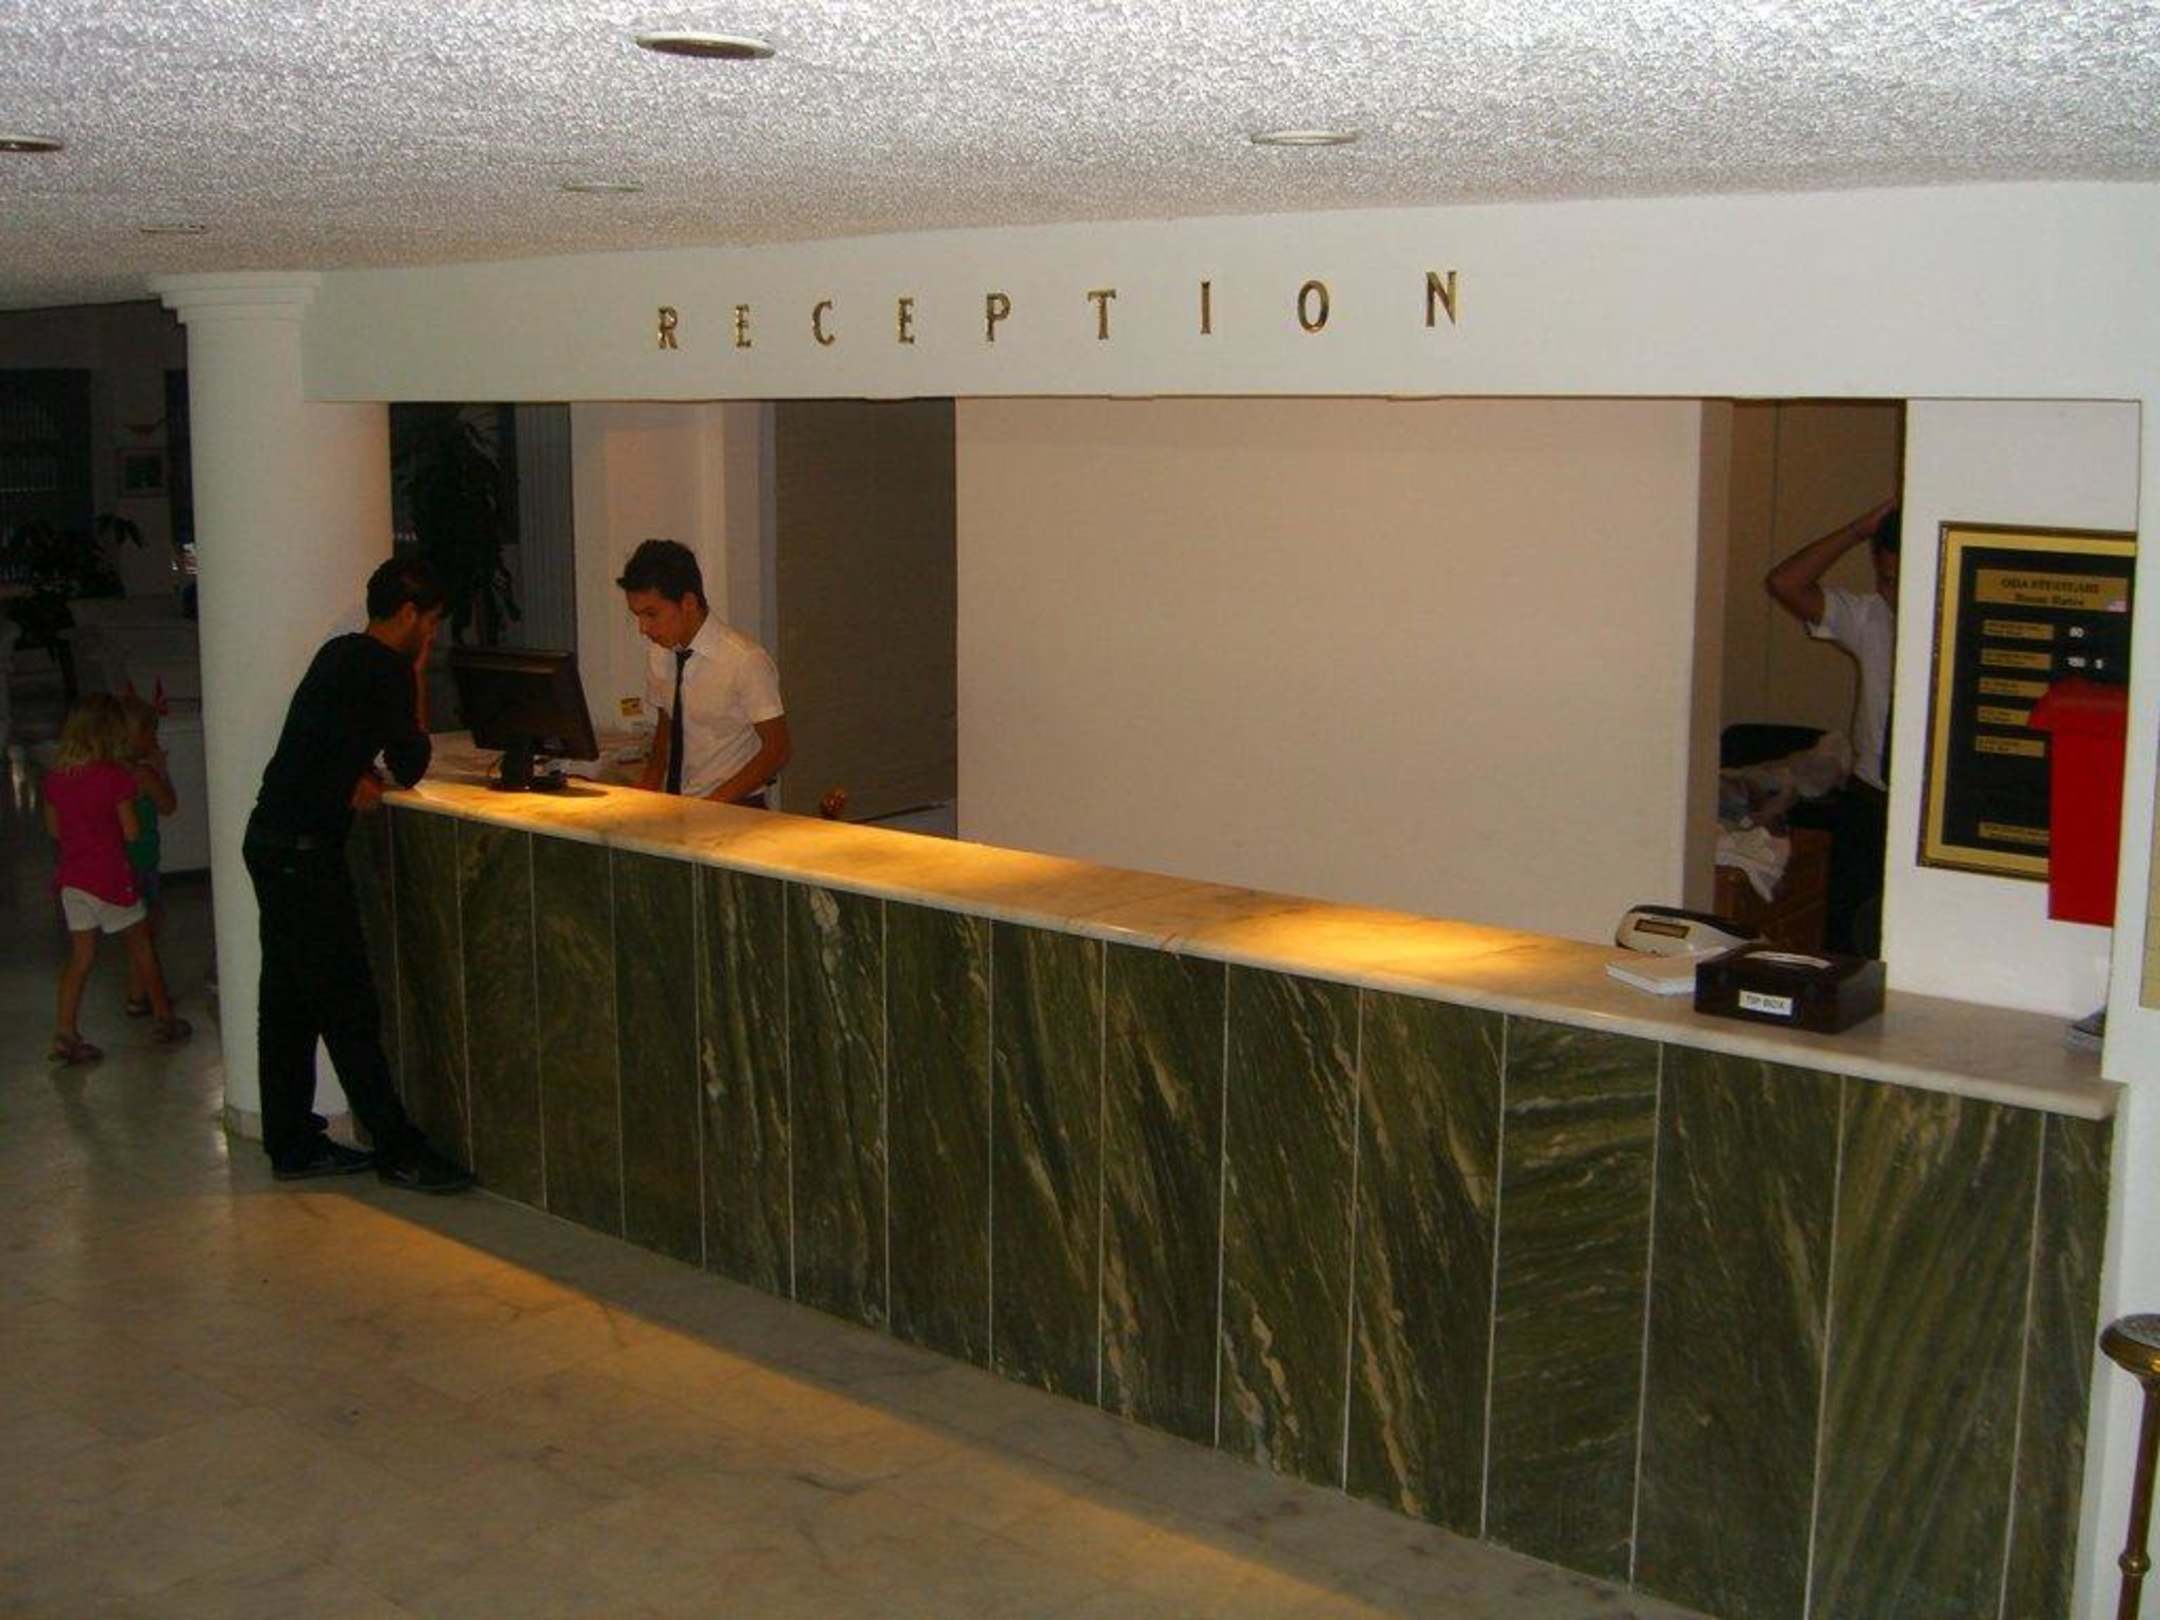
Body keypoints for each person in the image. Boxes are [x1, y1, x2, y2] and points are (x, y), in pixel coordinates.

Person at [243, 556, 474, 1192]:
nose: (431, 635)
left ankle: (291, 1141)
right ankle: (399, 1149)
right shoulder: (387, 668)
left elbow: (326, 740)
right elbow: (412, 759)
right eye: (430, 623)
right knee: (348, 1004)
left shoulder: (338, 654)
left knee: (288, 1002)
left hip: (269, 839)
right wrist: (416, 676)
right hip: (305, 854)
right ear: (409, 614)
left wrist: (357, 772)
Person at [1766, 497, 1900, 956]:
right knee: (1848, 942)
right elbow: (1785, 582)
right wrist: (1858, 530)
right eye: (1886, 580)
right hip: (1872, 801)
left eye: (1906, 581)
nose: (1896, 595)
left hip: (1926, 816)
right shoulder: (1871, 618)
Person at [43, 692, 189, 1063]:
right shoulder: (114, 779)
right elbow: (131, 832)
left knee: (81, 957)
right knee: (141, 945)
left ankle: (65, 1032)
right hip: (110, 878)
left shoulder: (56, 780)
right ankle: (164, 1017)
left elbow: (55, 830)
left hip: (72, 880)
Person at [616, 538, 791, 805]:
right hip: (679, 803)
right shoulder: (660, 654)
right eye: (637, 615)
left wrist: (713, 804)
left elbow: (777, 751)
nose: (643, 628)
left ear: (688, 602)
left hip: (735, 805)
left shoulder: (745, 660)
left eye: (652, 614)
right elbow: (668, 724)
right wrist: (649, 787)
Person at [117, 692, 179, 1020]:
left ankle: (136, 993)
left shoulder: (109, 773)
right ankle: (152, 999)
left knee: (134, 932)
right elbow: (168, 805)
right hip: (142, 862)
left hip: (117, 863)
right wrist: (162, 771)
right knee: (147, 931)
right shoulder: (143, 775)